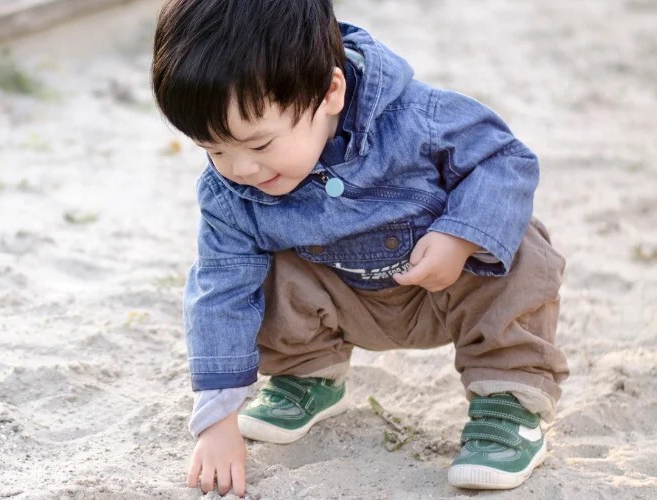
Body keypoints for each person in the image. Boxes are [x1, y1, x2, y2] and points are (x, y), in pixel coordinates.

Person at [150, 0, 569, 496]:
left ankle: (508, 403)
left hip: (445, 286)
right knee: (246, 269)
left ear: (330, 91)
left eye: (259, 145)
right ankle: (307, 372)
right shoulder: (231, 193)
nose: (239, 169)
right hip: (341, 299)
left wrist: (461, 235)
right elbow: (219, 290)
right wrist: (216, 420)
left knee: (519, 246)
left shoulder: (419, 119)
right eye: (214, 150)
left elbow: (507, 160)